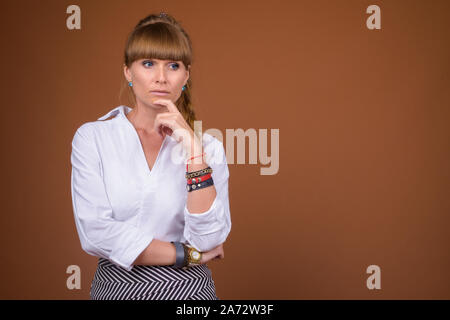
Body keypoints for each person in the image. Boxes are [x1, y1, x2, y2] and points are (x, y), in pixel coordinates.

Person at [70, 12, 231, 300]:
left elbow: (209, 239)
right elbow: (96, 232)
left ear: (186, 75)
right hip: (116, 291)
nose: (160, 77)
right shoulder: (93, 138)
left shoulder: (208, 147)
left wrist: (194, 152)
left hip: (189, 295)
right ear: (128, 73)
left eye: (172, 65)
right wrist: (185, 254)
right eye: (148, 64)